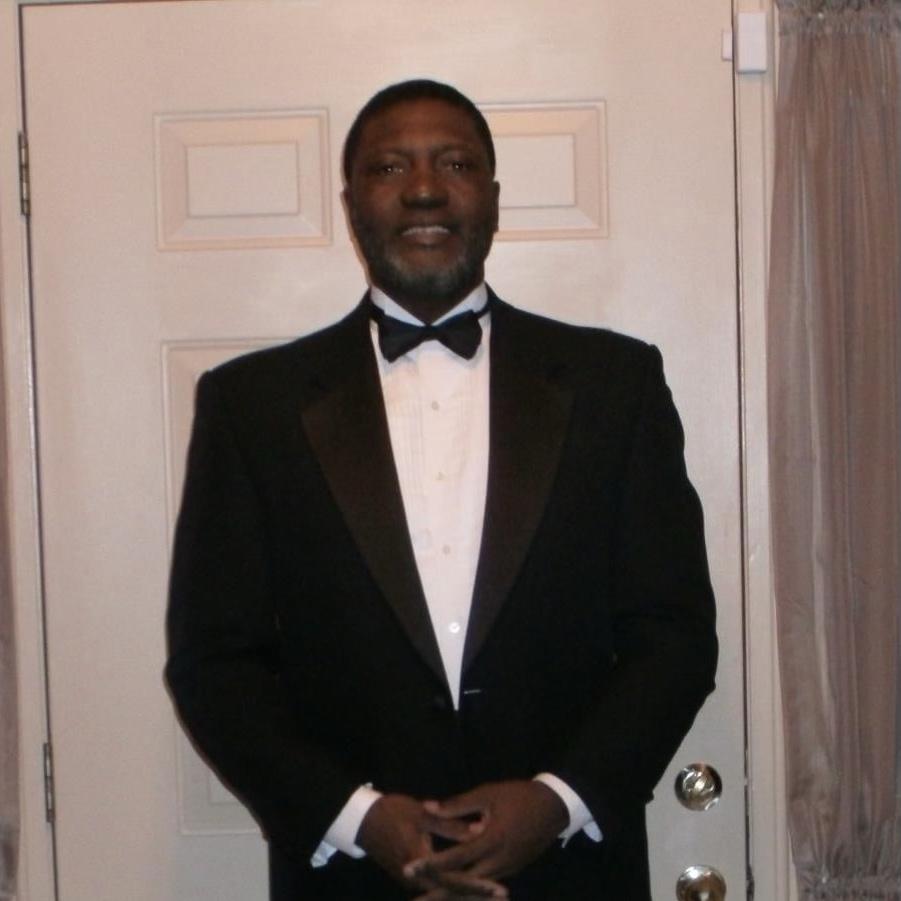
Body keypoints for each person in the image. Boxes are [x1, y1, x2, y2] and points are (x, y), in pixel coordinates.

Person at [165, 78, 717, 901]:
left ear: (493, 196)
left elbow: (672, 634)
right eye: (389, 167)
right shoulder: (251, 406)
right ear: (351, 204)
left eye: (453, 163)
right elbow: (215, 661)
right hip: (351, 880)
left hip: (570, 873)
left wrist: (557, 801)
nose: (423, 189)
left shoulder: (615, 385)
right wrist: (356, 816)